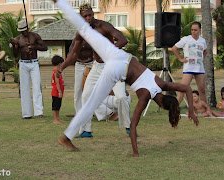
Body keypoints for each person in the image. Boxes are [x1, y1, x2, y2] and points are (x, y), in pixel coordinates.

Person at [52, 0, 199, 157]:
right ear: (162, 106)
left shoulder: (161, 83)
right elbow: (134, 126)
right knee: (91, 101)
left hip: (120, 56)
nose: (88, 18)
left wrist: (191, 110)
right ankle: (66, 137)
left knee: (83, 29)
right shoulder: (145, 96)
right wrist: (135, 152)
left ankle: (59, 2)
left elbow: (186, 88)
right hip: (116, 67)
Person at [57, 3, 131, 138]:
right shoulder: (81, 32)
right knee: (85, 97)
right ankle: (86, 130)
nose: (88, 18)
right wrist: (61, 67)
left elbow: (123, 39)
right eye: (85, 16)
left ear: (93, 14)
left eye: (90, 15)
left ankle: (128, 126)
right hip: (97, 66)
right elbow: (73, 54)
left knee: (120, 97)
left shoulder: (103, 26)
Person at [10, 20, 48, 119]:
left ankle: (39, 112)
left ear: (28, 28)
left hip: (34, 63)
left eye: (25, 30)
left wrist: (33, 47)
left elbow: (45, 47)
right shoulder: (18, 39)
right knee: (24, 88)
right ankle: (27, 114)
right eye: (21, 31)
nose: (24, 32)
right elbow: (15, 55)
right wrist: (15, 45)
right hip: (23, 64)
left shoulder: (35, 36)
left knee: (36, 87)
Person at [172, 22, 207, 105]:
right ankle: (175, 108)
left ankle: (205, 108)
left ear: (199, 30)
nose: (193, 32)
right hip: (189, 68)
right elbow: (174, 48)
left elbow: (205, 51)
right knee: (183, 89)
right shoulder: (186, 39)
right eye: (192, 30)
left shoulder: (202, 40)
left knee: (202, 90)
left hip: (199, 69)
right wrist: (181, 59)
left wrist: (202, 59)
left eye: (195, 30)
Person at [68, 38, 93, 115]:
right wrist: (79, 60)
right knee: (78, 88)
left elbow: (97, 51)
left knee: (90, 88)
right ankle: (78, 112)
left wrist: (91, 58)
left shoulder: (92, 38)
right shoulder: (76, 40)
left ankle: (90, 111)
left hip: (91, 63)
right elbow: (70, 53)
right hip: (79, 64)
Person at [51, 55, 65, 124]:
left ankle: (58, 118)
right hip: (56, 92)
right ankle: (55, 119)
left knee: (58, 106)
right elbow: (57, 83)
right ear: (59, 63)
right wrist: (59, 91)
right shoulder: (56, 72)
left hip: (59, 92)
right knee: (55, 106)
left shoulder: (58, 72)